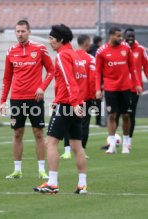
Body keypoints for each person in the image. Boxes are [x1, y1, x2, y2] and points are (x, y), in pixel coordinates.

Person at [33, 24, 88, 194]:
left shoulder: (63, 56)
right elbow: (77, 81)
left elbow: (69, 80)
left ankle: (52, 183)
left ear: (60, 39)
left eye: (51, 38)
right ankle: (82, 185)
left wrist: (72, 103)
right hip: (73, 103)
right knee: (77, 146)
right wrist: (76, 102)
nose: (49, 41)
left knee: (50, 142)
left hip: (68, 105)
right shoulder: (76, 55)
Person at [0, 20, 54, 179]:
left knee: (38, 133)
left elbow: (51, 71)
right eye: (17, 31)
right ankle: (17, 170)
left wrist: (42, 88)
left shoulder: (40, 49)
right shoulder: (10, 51)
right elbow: (7, 78)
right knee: (17, 133)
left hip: (35, 99)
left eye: (23, 31)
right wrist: (3, 100)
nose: (20, 34)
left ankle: (42, 170)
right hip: (16, 98)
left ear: (29, 32)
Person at [96, 27, 142, 154]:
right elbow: (98, 72)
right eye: (118, 36)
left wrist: (137, 84)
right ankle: (111, 145)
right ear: (111, 36)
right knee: (111, 116)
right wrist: (97, 89)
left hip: (126, 87)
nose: (121, 38)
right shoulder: (101, 51)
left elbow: (132, 67)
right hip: (110, 88)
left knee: (126, 116)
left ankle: (126, 144)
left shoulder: (126, 48)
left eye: (121, 36)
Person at [61, 34, 96, 159]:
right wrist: (93, 95)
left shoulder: (71, 56)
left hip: (70, 97)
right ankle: (82, 151)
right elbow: (92, 79)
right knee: (84, 124)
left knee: (67, 123)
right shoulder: (91, 59)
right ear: (87, 43)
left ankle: (67, 151)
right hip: (85, 97)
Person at [112, 28, 148, 150]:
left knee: (129, 115)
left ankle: (128, 142)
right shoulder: (119, 48)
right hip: (119, 87)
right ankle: (112, 142)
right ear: (125, 38)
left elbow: (146, 67)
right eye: (128, 38)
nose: (130, 40)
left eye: (132, 37)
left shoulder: (141, 50)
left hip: (134, 88)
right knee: (115, 114)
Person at [88, 36, 104, 126]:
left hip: (88, 82)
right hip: (97, 81)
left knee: (87, 101)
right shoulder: (99, 52)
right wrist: (102, 83)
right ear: (99, 42)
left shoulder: (88, 52)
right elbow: (100, 70)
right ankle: (98, 121)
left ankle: (85, 119)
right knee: (98, 102)